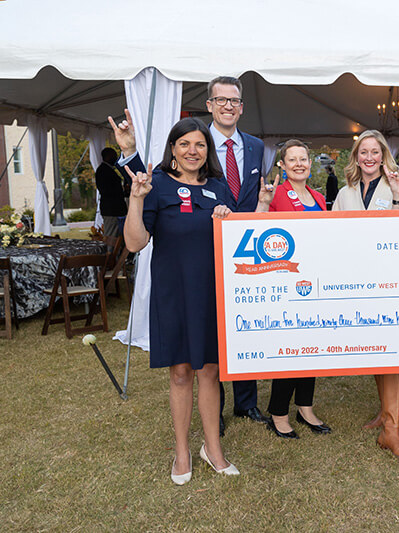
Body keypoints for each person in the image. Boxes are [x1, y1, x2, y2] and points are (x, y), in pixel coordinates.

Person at [109, 76, 268, 436]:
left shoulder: (254, 149)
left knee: (224, 354)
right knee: (188, 368)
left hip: (228, 264)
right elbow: (150, 189)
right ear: (209, 104)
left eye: (235, 101)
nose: (229, 106)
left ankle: (246, 403)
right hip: (180, 278)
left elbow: (239, 200)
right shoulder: (167, 177)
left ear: (242, 107)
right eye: (221, 100)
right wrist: (131, 155)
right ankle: (215, 420)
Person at [332, 130, 399, 459]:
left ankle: (392, 430)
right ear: (356, 156)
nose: (369, 157)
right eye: (363, 152)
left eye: (375, 151)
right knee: (376, 348)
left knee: (392, 352)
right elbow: (331, 232)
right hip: (357, 280)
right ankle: (383, 412)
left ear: (383, 155)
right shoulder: (345, 193)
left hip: (390, 279)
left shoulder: (394, 186)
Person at [262, 139, 331, 438]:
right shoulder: (275, 193)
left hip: (314, 280)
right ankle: (278, 411)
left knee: (311, 348)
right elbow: (258, 229)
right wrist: (263, 205)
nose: (300, 164)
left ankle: (305, 407)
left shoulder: (318, 197)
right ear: (283, 165)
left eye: (304, 159)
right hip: (284, 279)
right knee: (289, 349)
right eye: (293, 160)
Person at [95, 147, 128, 248]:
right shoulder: (103, 170)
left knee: (117, 235)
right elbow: (108, 190)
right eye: (113, 155)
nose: (116, 157)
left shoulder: (107, 169)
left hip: (115, 209)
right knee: (111, 236)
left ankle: (115, 257)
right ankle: (109, 257)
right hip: (111, 209)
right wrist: (122, 192)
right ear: (108, 156)